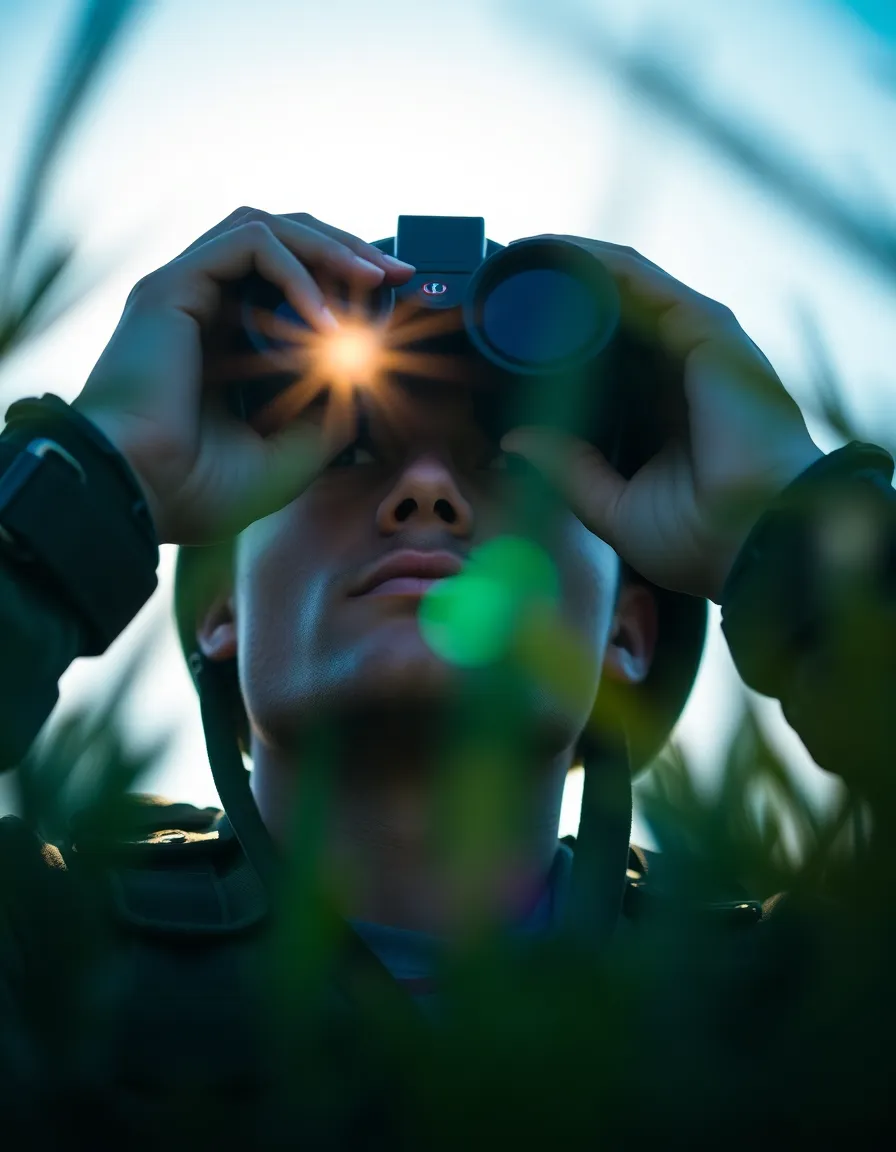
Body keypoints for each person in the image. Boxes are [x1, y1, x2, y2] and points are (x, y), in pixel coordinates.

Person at [1, 207, 894, 1148]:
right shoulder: (42, 939)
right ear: (222, 607)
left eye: (514, 465)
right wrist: (101, 471)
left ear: (624, 634)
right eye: (346, 452)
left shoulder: (783, 996)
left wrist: (793, 531)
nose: (427, 491)